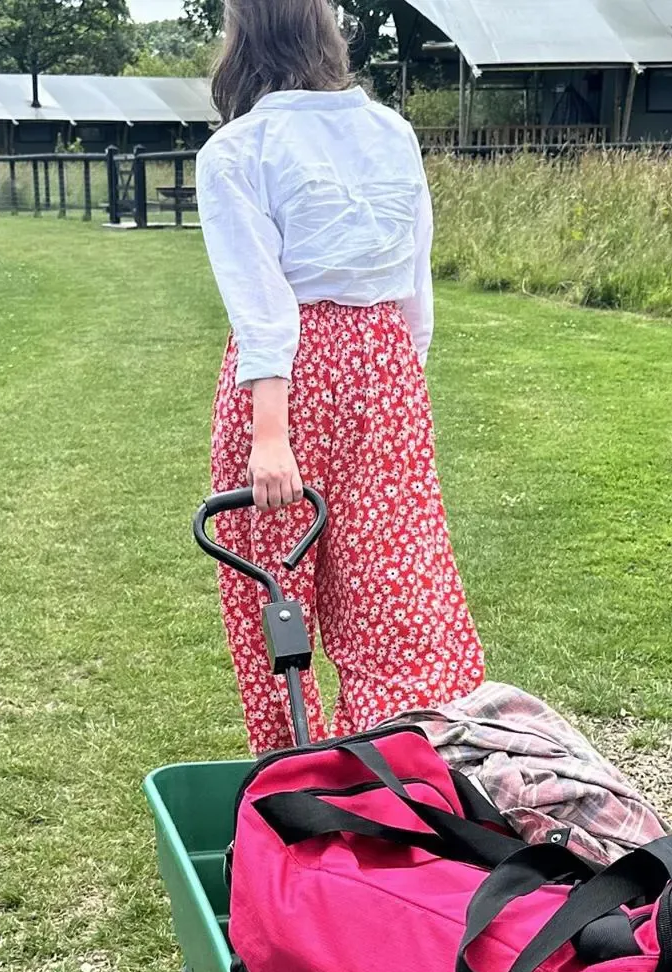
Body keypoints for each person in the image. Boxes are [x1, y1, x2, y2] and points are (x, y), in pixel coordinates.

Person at [197, 0, 486, 755]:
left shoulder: (238, 150)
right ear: (324, 32)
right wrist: (398, 388)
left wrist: (270, 435)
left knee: (274, 597)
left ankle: (296, 779)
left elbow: (264, 307)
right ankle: (403, 779)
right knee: (395, 598)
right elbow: (413, 288)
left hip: (287, 384)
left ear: (245, 37)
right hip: (386, 367)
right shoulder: (391, 133)